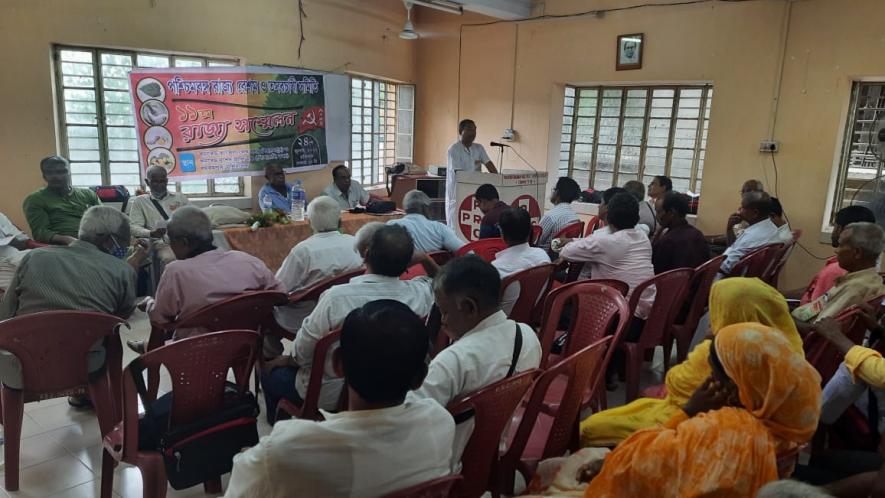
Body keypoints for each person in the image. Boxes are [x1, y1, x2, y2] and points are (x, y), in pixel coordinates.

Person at [224, 300, 455, 498]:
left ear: (337, 364)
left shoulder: (284, 451)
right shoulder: (440, 422)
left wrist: (251, 461)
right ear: (420, 378)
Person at [581, 324, 821, 498]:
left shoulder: (722, 429)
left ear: (735, 384)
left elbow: (632, 467)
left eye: (713, 374)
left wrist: (688, 411)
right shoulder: (791, 414)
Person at [580, 277, 803, 447]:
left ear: (734, 313)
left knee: (592, 427)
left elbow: (677, 384)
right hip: (750, 436)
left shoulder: (722, 353)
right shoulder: (789, 352)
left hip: (698, 427)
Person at [261, 225, 440, 422]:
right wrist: (425, 259)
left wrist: (286, 360)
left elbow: (303, 354)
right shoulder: (421, 292)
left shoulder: (335, 298)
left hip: (332, 394)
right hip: (396, 390)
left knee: (270, 374)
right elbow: (443, 282)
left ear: (365, 254)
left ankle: (277, 428)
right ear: (409, 262)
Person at [0, 206, 144, 406]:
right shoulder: (121, 270)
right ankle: (98, 396)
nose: (125, 246)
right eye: (123, 240)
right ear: (108, 240)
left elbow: (5, 313)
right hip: (84, 365)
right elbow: (122, 315)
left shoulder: (35, 257)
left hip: (23, 367)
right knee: (110, 338)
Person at [408, 255, 541, 467]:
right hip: (493, 452)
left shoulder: (455, 361)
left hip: (448, 463)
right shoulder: (527, 336)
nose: (442, 321)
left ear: (469, 307)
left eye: (444, 312)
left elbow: (410, 420)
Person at [142, 206, 283, 340]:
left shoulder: (176, 271)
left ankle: (148, 348)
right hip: (246, 344)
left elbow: (160, 318)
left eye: (169, 240)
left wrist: (149, 303)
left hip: (197, 352)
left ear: (183, 242)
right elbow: (279, 294)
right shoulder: (247, 260)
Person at [270, 196, 363, 355]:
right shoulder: (354, 243)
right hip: (348, 313)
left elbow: (279, 289)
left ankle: (273, 367)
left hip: (304, 318)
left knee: (265, 317)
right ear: (340, 222)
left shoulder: (303, 251)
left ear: (309, 223)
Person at [559, 193, 655, 321]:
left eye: (602, 203)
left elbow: (566, 252)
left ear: (608, 215)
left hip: (618, 317)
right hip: (646, 317)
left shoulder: (605, 241)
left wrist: (572, 241)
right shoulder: (642, 238)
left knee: (559, 311)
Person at [792, 222, 885, 333]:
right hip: (802, 319)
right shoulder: (869, 279)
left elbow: (818, 330)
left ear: (857, 253)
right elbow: (813, 311)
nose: (836, 250)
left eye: (841, 245)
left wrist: (786, 319)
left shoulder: (855, 288)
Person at [786, 206, 876, 305]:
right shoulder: (866, 271)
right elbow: (814, 291)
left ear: (841, 230)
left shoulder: (837, 270)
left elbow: (812, 310)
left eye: (835, 226)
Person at [23, 155, 101, 245]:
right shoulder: (35, 200)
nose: (56, 176)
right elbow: (41, 233)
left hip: (97, 243)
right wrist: (67, 239)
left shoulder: (88, 194)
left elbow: (104, 219)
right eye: (49, 172)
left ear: (69, 173)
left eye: (61, 171)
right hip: (63, 247)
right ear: (44, 176)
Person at [126, 165, 190, 264]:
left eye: (162, 181)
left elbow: (193, 219)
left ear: (167, 181)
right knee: (171, 260)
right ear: (147, 182)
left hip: (185, 241)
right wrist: (151, 233)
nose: (159, 185)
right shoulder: (140, 201)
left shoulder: (180, 198)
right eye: (155, 182)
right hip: (161, 243)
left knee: (206, 256)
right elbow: (133, 227)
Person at [492, 208, 551, 315]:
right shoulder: (543, 256)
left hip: (500, 326)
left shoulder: (497, 269)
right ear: (530, 231)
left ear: (502, 233)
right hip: (530, 318)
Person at [446, 119, 497, 227]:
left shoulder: (479, 148)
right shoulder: (454, 149)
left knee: (474, 224)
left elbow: (489, 165)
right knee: (457, 224)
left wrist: (497, 178)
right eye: (469, 129)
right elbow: (459, 173)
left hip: (476, 192)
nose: (473, 133)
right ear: (461, 131)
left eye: (474, 129)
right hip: (459, 193)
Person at [720, 190, 782, 275]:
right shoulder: (771, 227)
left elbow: (725, 267)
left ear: (755, 213)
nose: (738, 212)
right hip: (751, 277)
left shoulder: (752, 236)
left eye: (742, 208)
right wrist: (730, 228)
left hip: (730, 281)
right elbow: (735, 244)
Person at [388, 190, 465, 253]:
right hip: (434, 271)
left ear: (405, 208)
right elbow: (466, 251)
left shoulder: (392, 225)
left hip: (401, 271)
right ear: (426, 208)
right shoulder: (440, 228)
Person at [651, 192, 710, 273]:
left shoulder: (667, 241)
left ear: (672, 213)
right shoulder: (697, 234)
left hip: (671, 284)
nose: (657, 216)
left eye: (659, 212)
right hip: (696, 284)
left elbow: (655, 272)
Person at [537, 177, 580, 250]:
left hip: (545, 257)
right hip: (563, 256)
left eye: (554, 189)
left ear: (557, 193)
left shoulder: (550, 216)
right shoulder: (575, 217)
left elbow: (536, 240)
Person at [0, 212, 32, 291]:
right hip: (3, 265)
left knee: (46, 260)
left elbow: (21, 237)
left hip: (16, 254)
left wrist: (18, 241)